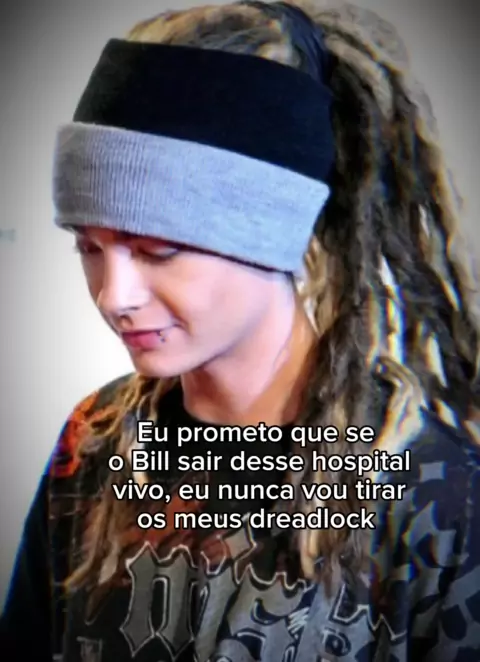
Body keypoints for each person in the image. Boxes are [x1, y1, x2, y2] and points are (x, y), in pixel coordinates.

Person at [2, 0, 480, 659]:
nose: (114, 296)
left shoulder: (430, 489)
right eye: (89, 247)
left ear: (271, 233)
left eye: (159, 250)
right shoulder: (95, 444)